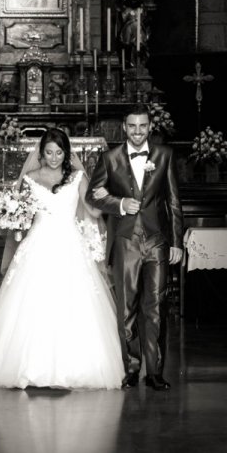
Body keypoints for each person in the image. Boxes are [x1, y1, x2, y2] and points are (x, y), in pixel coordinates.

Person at [0, 128, 125, 389]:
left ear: (66, 153)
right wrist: (11, 215)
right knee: (32, 301)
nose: (55, 157)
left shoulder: (78, 177)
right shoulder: (30, 178)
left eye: (59, 152)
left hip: (70, 245)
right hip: (37, 244)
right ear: (41, 153)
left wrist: (109, 199)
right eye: (49, 152)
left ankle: (75, 366)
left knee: (71, 303)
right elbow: (21, 212)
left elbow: (91, 209)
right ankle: (26, 365)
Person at [87, 106, 183, 391]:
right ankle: (132, 368)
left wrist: (176, 242)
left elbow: (174, 201)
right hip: (126, 242)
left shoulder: (164, 155)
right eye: (132, 126)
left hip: (157, 242)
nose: (138, 132)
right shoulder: (110, 158)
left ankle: (154, 371)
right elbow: (94, 195)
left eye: (143, 126)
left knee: (156, 307)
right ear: (124, 127)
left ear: (150, 126)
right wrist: (118, 204)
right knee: (126, 308)